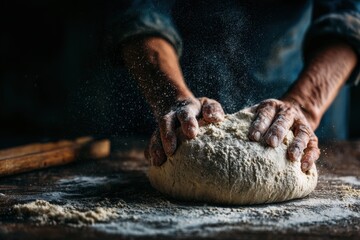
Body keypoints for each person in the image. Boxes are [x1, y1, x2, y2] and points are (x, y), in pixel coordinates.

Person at [112, 0, 360, 171]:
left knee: (291, 152)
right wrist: (172, 97)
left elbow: (349, 16)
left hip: (296, 82)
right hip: (176, 90)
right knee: (178, 150)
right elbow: (141, 11)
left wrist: (304, 106)